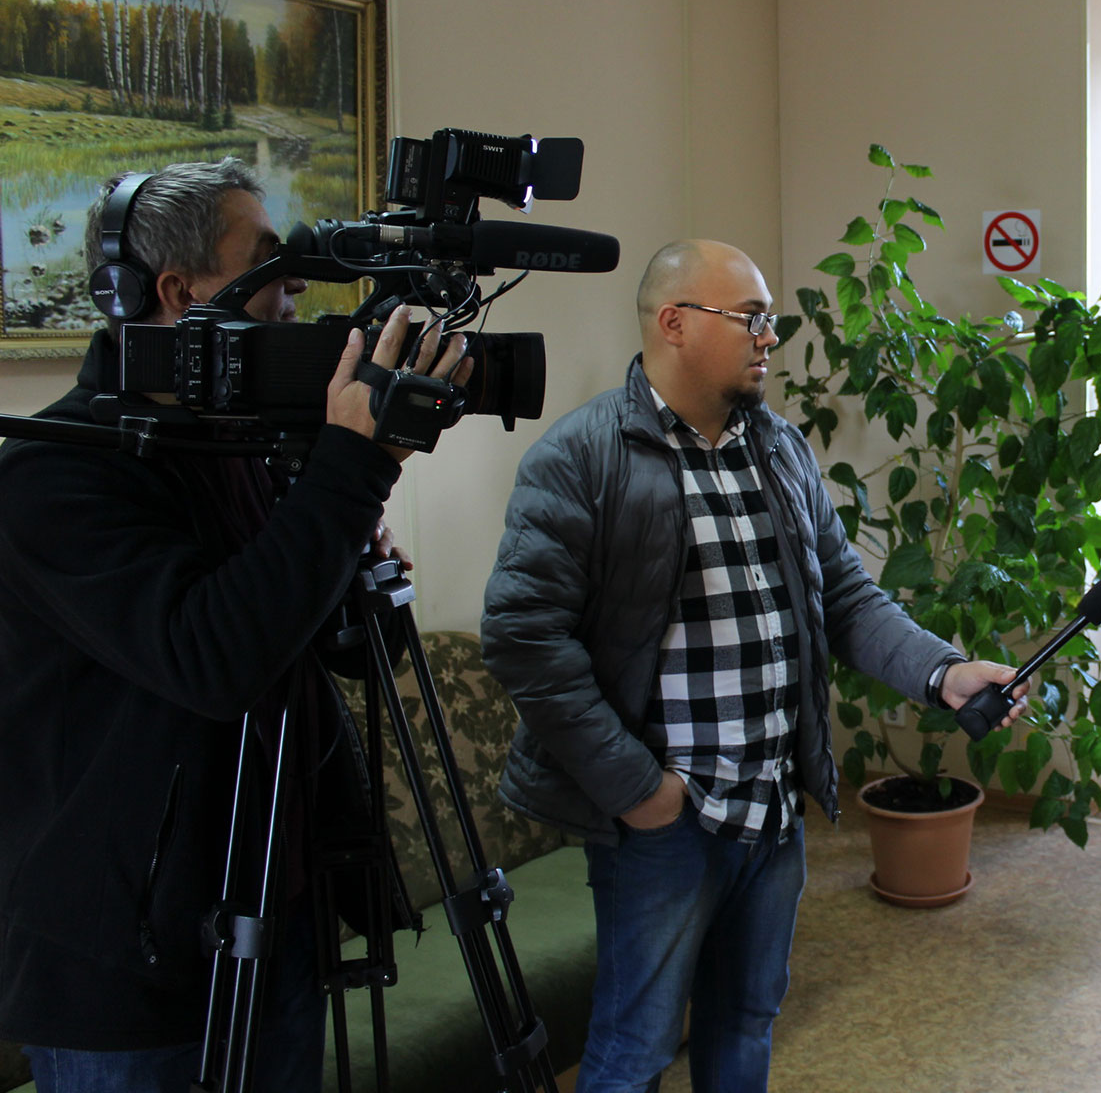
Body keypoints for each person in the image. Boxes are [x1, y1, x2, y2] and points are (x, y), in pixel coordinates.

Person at [480, 239, 1026, 1093]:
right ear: (674, 323)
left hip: (771, 808)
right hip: (666, 824)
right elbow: (523, 637)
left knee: (744, 1022)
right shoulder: (582, 457)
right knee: (634, 1049)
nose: (771, 336)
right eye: (751, 318)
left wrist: (944, 673)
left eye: (770, 319)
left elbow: (845, 597)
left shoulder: (778, 448)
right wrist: (639, 790)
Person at [0, 158, 467, 1093]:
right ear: (180, 293)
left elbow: (328, 654)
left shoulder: (238, 444)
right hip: (129, 965)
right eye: (267, 265)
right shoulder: (52, 475)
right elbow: (210, 660)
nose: (294, 292)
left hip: (273, 917)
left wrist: (343, 560)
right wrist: (352, 472)